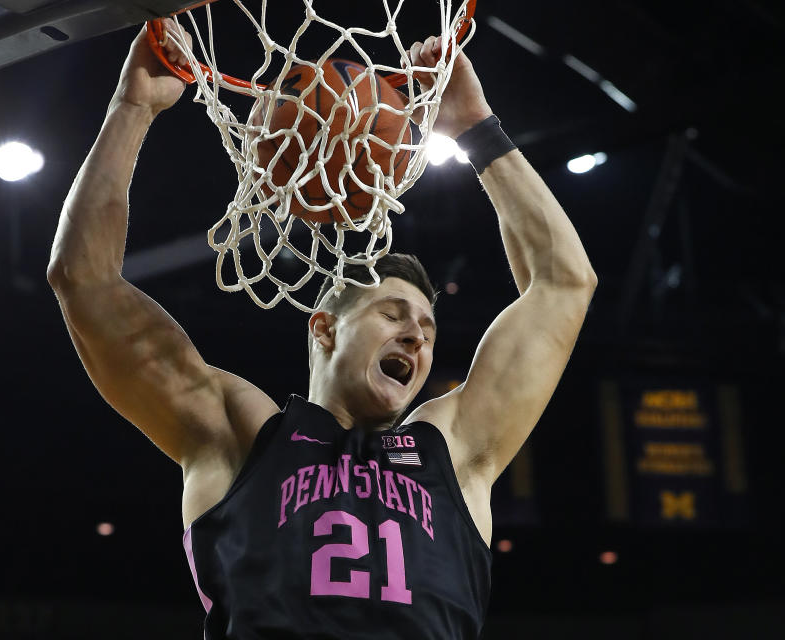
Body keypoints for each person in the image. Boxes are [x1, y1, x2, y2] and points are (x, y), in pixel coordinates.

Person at [47, 18, 597, 640]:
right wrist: (131, 109)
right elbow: (84, 280)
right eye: (393, 315)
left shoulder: (456, 448)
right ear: (325, 328)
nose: (417, 337)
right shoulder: (241, 435)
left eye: (427, 329)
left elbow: (564, 285)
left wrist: (478, 130)